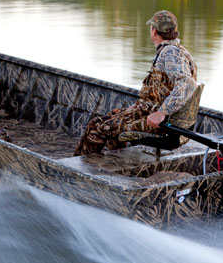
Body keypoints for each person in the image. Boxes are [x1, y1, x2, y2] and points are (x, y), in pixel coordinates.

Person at [74, 10, 201, 156]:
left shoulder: (170, 53)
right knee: (111, 118)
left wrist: (162, 112)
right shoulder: (180, 51)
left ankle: (77, 170)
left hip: (162, 124)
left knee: (97, 127)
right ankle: (118, 164)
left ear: (154, 31)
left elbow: (187, 83)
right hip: (158, 117)